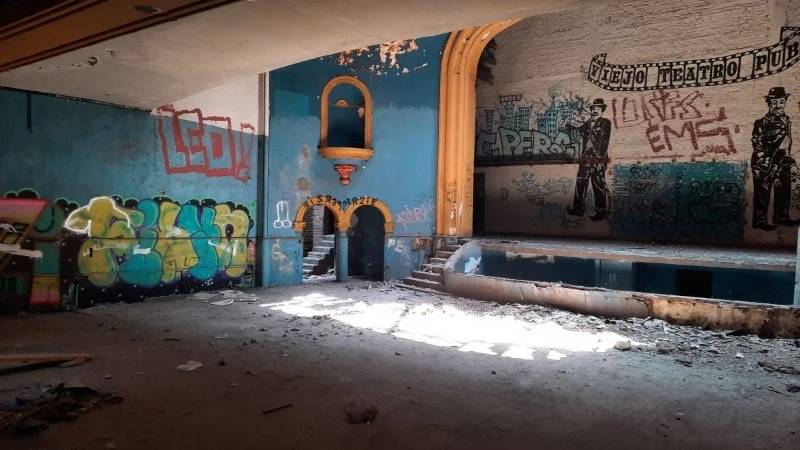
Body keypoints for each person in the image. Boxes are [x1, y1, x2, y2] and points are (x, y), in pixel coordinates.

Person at [751, 87, 798, 230]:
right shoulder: (762, 122)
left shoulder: (787, 119)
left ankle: (781, 217)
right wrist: (764, 160)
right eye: (775, 102)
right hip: (765, 162)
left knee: (783, 189)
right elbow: (757, 143)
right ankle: (760, 221)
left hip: (782, 161)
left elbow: (786, 140)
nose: (778, 105)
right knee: (762, 192)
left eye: (782, 102)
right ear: (769, 103)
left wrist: (786, 156)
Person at [563, 98, 611, 221]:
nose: (595, 111)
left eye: (598, 109)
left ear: (602, 111)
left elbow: (604, 141)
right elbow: (577, 130)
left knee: (598, 184)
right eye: (594, 108)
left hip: (597, 158)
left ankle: (601, 211)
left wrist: (600, 160)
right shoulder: (588, 123)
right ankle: (578, 209)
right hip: (585, 158)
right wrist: (567, 126)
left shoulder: (605, 123)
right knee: (580, 182)